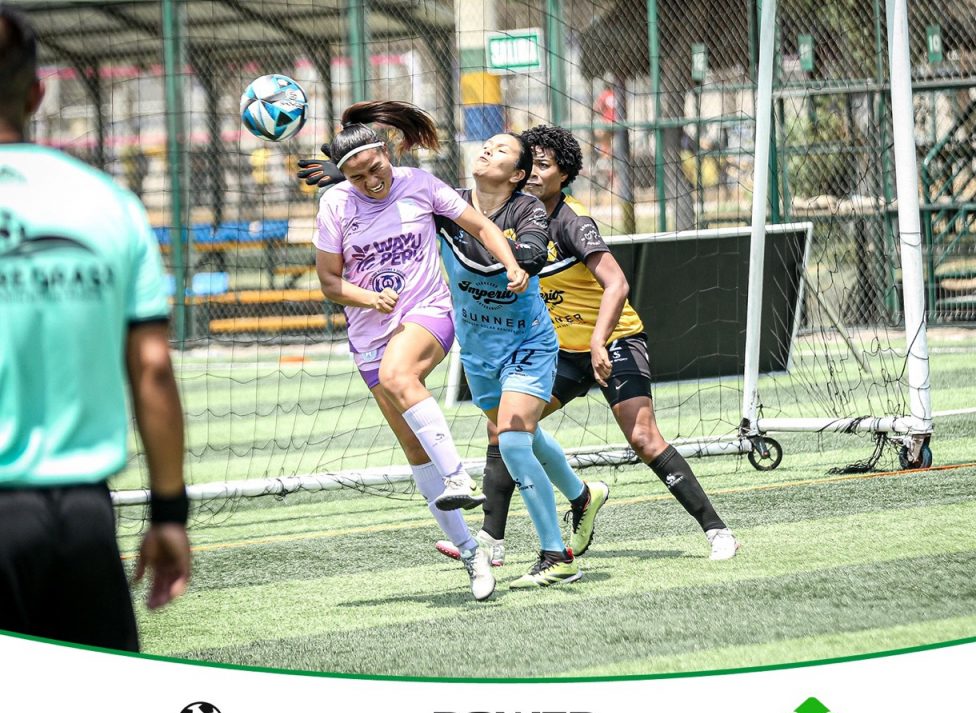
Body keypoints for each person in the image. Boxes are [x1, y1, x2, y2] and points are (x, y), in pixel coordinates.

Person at [437, 124, 737, 564]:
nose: (534, 173)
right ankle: (493, 541)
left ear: (564, 175)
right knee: (505, 426)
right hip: (558, 350)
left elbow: (617, 284)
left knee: (643, 438)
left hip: (613, 340)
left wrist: (599, 342)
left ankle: (717, 531)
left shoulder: (570, 221)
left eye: (544, 166)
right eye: (530, 164)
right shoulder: (504, 214)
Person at [0, 5, 191, 650]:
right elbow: (153, 368)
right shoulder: (108, 203)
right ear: (36, 93)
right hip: (81, 521)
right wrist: (169, 512)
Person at [302, 101, 535, 601]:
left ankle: (459, 477)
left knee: (397, 375)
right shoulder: (335, 205)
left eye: (376, 168)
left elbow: (482, 227)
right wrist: (368, 298)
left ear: (388, 152)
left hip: (428, 311)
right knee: (414, 449)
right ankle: (471, 553)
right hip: (369, 331)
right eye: (358, 177)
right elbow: (329, 282)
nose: (372, 181)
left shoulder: (421, 185)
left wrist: (512, 264)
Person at [435, 132, 607, 589]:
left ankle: (557, 555)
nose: (487, 150)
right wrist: (351, 177)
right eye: (487, 145)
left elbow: (531, 251)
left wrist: (518, 261)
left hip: (527, 345)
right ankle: (582, 495)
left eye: (501, 150)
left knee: (511, 442)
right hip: (477, 351)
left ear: (517, 175)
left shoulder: (526, 208)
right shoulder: (448, 202)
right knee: (523, 435)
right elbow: (396, 198)